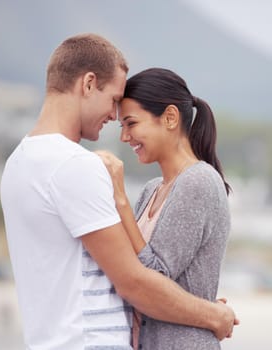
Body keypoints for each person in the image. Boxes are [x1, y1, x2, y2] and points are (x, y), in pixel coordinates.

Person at [0, 34, 237, 350]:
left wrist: (191, 302)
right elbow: (135, 282)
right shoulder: (74, 165)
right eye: (113, 101)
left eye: (128, 120)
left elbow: (141, 275)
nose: (114, 119)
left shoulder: (18, 163)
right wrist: (213, 314)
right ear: (88, 84)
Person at [97, 67, 235, 349]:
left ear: (170, 117)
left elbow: (154, 278)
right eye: (121, 126)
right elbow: (128, 265)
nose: (125, 137)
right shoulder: (152, 189)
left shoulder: (199, 181)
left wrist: (120, 198)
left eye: (131, 123)